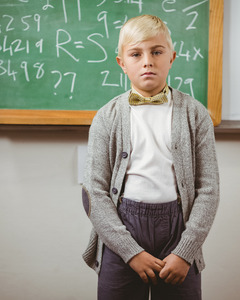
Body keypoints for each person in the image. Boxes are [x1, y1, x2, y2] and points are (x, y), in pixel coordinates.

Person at [81, 14, 219, 300]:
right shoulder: (107, 117)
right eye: (136, 54)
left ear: (172, 57)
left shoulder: (195, 114)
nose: (147, 61)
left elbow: (208, 189)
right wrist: (130, 252)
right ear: (122, 63)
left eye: (157, 52)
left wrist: (185, 252)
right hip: (122, 232)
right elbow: (94, 191)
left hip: (178, 232)